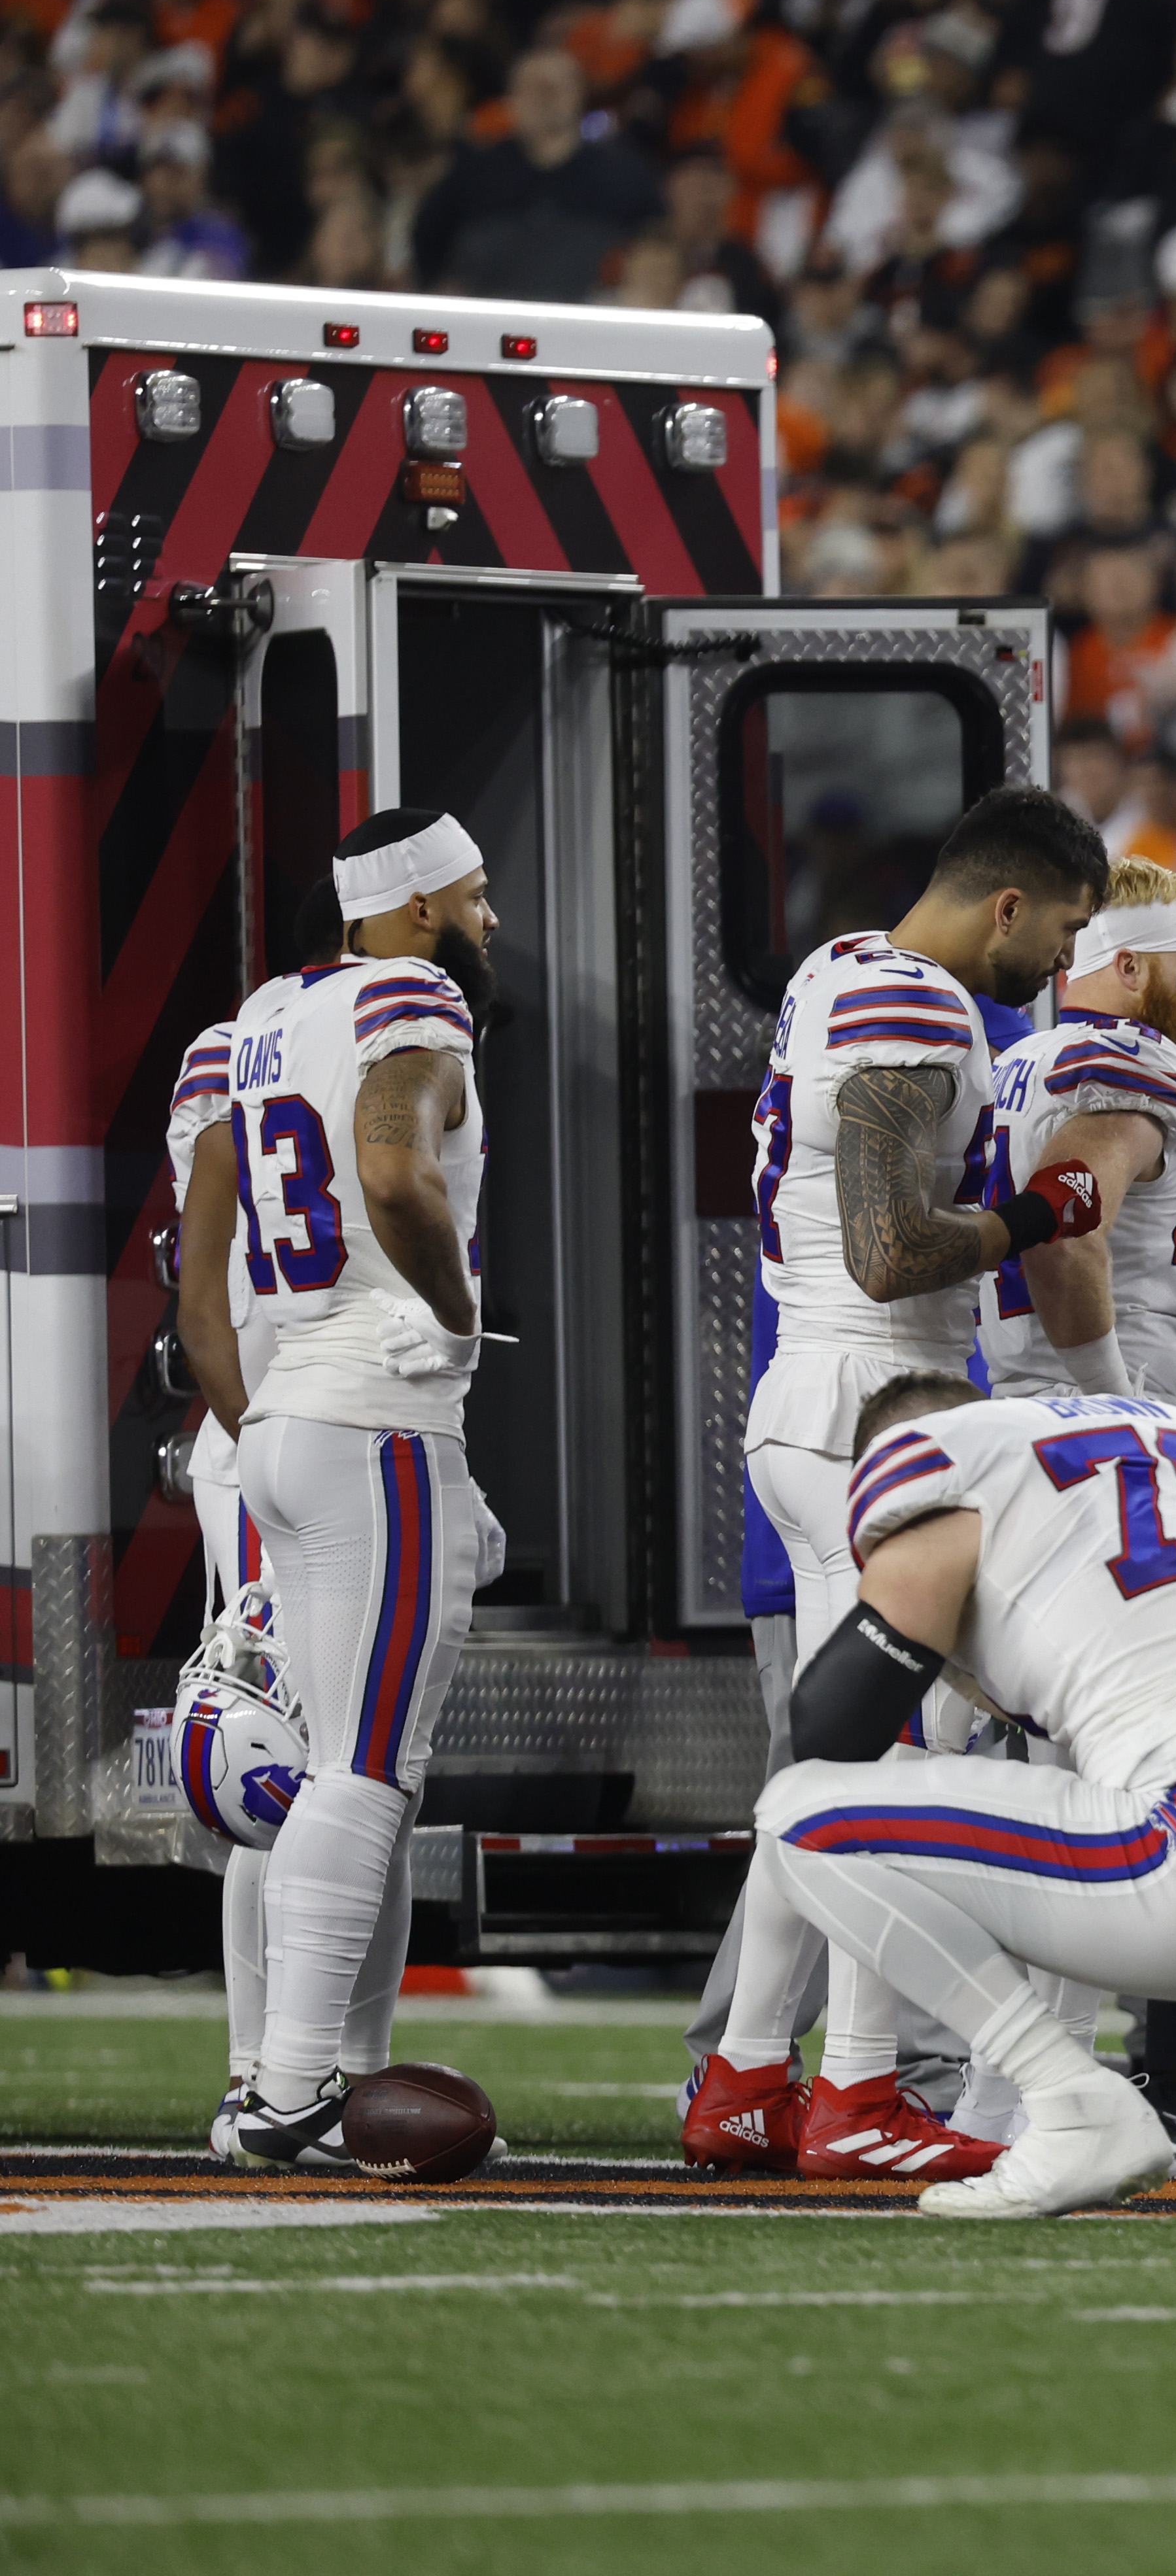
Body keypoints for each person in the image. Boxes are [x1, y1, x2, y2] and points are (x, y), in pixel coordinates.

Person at [684, 789, 1112, 2182]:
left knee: (833, 1763)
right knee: (903, 1766)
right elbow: (886, 1245)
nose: (1059, 963)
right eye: (1061, 929)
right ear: (1006, 903)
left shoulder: (839, 966)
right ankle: (857, 2086)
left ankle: (749, 2073)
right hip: (877, 1410)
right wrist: (1032, 1218)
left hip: (823, 1405)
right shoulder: (919, 1010)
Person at [748, 1371, 1176, 2222]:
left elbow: (831, 1730)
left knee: (800, 1816)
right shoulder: (1175, 1450)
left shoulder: (943, 1475)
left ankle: (1072, 2106)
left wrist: (938, 1640)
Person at [190, 812, 504, 2172]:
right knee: (370, 1769)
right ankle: (296, 2092)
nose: (490, 921)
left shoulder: (259, 1019)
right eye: (476, 896)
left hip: (282, 1421)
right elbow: (392, 1164)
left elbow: (197, 1274)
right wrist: (457, 1309)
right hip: (375, 1417)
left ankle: (274, 2075)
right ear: (420, 905)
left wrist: (257, 1423)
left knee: (332, 1766)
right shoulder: (411, 996)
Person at [981, 858, 1176, 1407]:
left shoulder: (1019, 1060)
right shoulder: (1132, 1066)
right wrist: (1115, 1399)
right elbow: (1063, 1231)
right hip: (1105, 1393)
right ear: (1130, 968)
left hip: (1017, 1393)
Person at [164, 1008, 270, 2150]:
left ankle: (338, 2071)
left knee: (367, 1777)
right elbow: (212, 1295)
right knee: (280, 1771)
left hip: (343, 1437)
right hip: (282, 1438)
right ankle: (262, 2076)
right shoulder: (263, 1047)